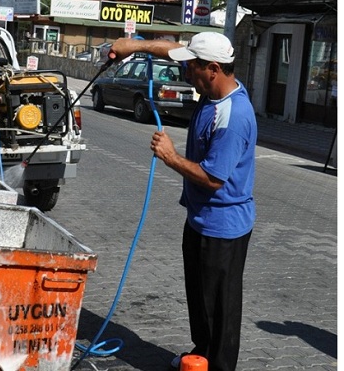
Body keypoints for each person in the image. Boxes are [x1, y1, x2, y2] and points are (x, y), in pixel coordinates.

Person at [109, 32, 257, 371]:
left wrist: (170, 156)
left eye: (192, 68)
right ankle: (199, 355)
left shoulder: (232, 118)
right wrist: (135, 46)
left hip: (222, 229)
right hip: (200, 220)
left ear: (213, 69)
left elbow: (213, 178)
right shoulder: (214, 88)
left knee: (220, 311)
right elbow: (172, 48)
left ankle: (217, 365)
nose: (186, 72)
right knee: (200, 301)